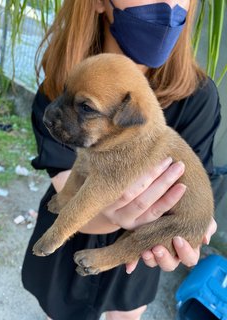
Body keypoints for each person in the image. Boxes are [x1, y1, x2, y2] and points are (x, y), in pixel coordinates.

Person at [22, 1, 220, 319]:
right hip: (67, 258)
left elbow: (102, 187)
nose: (167, 5)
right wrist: (98, 214)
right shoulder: (71, 71)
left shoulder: (198, 98)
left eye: (85, 108)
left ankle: (110, 256)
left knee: (127, 311)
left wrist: (190, 232)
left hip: (138, 266)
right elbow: (72, 184)